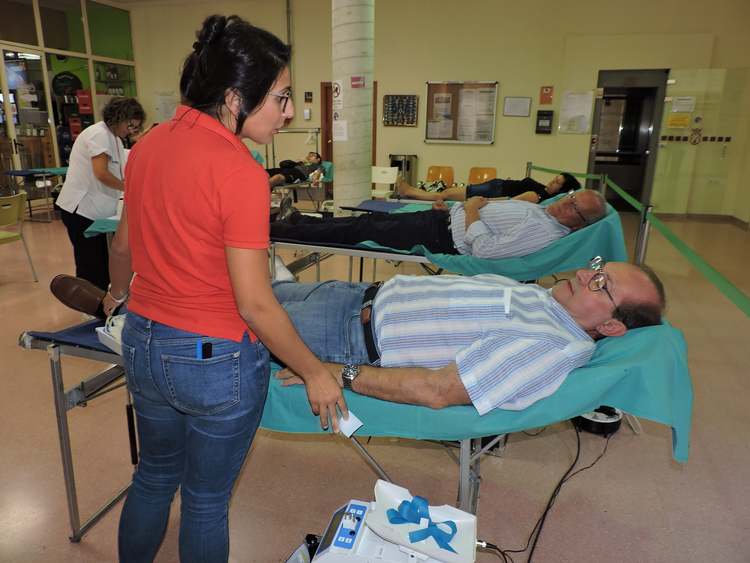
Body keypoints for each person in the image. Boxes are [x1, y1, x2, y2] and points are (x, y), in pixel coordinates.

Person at [106, 15, 346, 563]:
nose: (289, 112)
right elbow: (254, 302)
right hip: (212, 359)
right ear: (237, 98)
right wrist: (315, 373)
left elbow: (122, 250)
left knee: (152, 477)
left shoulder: (148, 146)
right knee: (205, 501)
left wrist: (117, 298)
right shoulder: (239, 171)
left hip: (142, 340)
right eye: (281, 99)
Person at [274, 258, 666, 413]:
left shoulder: (552, 345)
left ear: (612, 326)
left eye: (601, 282)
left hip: (345, 338)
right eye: (596, 267)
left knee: (221, 326)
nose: (585, 273)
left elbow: (437, 390)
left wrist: (334, 372)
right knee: (230, 295)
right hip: (349, 295)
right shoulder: (552, 303)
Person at [271, 189, 608, 260]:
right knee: (366, 221)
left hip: (440, 236)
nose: (567, 199)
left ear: (578, 223)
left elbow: (487, 250)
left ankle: (282, 230)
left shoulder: (543, 233)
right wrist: (459, 207)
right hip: (442, 218)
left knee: (360, 231)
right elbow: (493, 215)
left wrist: (472, 210)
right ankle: (298, 220)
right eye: (572, 195)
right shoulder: (543, 212)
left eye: (575, 204)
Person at [55, 97, 145, 290]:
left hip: (96, 210)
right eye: (129, 125)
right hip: (81, 210)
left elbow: (126, 163)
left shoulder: (115, 139)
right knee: (91, 265)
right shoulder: (99, 134)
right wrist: (129, 189)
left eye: (135, 127)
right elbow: (101, 173)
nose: (130, 130)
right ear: (118, 117)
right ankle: (90, 309)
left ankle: (102, 303)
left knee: (103, 263)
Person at [396, 172, 581, 203]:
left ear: (563, 190)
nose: (552, 182)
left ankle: (409, 191)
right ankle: (410, 190)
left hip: (494, 192)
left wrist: (488, 201)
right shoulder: (543, 190)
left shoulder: (540, 196)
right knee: (446, 193)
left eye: (557, 182)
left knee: (446, 194)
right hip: (496, 185)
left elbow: (512, 202)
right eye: (555, 179)